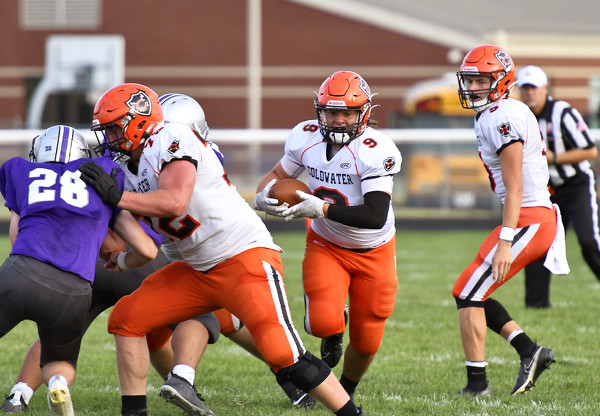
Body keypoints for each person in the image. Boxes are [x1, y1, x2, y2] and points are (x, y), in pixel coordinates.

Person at [77, 83, 364, 416]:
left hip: (242, 258)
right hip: (196, 270)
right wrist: (121, 257)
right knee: (126, 319)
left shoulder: (172, 138)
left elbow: (173, 201)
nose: (109, 137)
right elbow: (141, 243)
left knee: (286, 357)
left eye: (114, 127)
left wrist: (116, 198)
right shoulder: (126, 168)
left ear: (138, 120)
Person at [253, 70, 401, 400]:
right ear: (320, 111)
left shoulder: (375, 150)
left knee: (367, 341)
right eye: (331, 112)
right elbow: (279, 174)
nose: (338, 121)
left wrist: (319, 209)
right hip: (326, 243)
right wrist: (261, 195)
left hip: (373, 248)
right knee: (321, 322)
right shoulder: (305, 137)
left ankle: (345, 389)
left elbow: (375, 216)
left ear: (363, 113)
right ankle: (332, 327)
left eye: (347, 113)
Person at [0, 125, 158, 416]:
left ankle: (21, 393)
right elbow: (147, 250)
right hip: (73, 289)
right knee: (59, 361)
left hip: (22, 270)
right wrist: (121, 263)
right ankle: (57, 382)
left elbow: (16, 236)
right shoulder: (104, 179)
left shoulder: (21, 171)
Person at [453, 44, 569, 396]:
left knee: (469, 291)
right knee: (469, 289)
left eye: (480, 80)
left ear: (501, 81)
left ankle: (478, 385)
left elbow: (515, 186)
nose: (472, 87)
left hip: (530, 217)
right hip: (530, 215)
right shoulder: (494, 111)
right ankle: (530, 351)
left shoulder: (503, 116)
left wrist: (506, 240)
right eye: (469, 79)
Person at [517, 65, 600, 308]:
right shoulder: (519, 116)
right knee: (537, 243)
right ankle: (536, 303)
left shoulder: (562, 112)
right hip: (545, 191)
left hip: (575, 185)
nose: (530, 93)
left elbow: (590, 150)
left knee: (588, 241)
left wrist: (553, 158)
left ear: (545, 89)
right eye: (525, 88)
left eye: (534, 88)